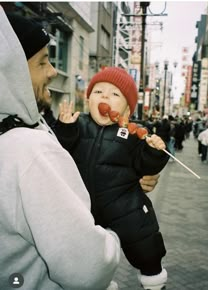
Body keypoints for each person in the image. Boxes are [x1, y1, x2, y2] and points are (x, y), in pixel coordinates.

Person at [0, 8, 121, 290]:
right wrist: (112, 237)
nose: (53, 71)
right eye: (42, 62)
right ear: (11, 72)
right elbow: (89, 270)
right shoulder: (29, 149)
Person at [55, 67, 169, 290]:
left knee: (144, 244)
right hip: (85, 210)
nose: (105, 96)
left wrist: (154, 152)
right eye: (98, 92)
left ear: (127, 110)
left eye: (115, 94)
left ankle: (154, 281)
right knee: (91, 258)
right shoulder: (77, 125)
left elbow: (143, 165)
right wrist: (65, 129)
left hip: (125, 206)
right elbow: (59, 153)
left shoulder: (134, 134)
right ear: (88, 100)